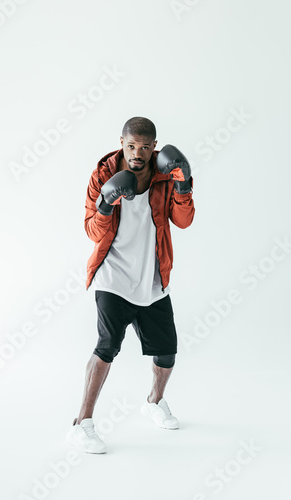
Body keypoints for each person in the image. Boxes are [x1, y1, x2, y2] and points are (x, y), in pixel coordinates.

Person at [67, 117, 195, 454]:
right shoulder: (102, 174)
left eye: (144, 146)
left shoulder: (166, 174)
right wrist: (106, 203)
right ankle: (82, 423)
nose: (137, 153)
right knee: (107, 345)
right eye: (131, 145)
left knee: (167, 351)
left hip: (152, 276)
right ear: (121, 142)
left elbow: (183, 221)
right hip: (113, 275)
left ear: (155, 146)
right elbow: (93, 232)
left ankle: (154, 401)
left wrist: (184, 186)